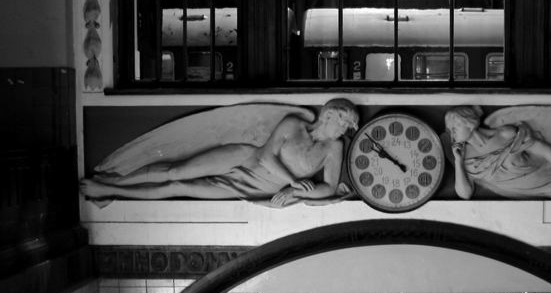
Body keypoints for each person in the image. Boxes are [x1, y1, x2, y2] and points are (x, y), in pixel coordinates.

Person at [80, 98, 359, 207]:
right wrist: (294, 180)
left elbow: (329, 188)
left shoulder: (334, 148)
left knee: (180, 186)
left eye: (347, 128)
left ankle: (111, 193)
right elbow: (264, 156)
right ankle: (108, 182)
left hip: (254, 186)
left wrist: (296, 192)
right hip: (244, 157)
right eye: (344, 123)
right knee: (175, 169)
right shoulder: (294, 124)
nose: (343, 131)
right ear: (330, 115)